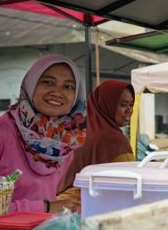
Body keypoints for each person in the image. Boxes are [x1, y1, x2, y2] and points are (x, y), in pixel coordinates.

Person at [0, 54, 86, 213]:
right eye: (48, 82)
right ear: (31, 84)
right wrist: (44, 207)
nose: (57, 92)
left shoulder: (64, 145)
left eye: (68, 86)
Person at [58, 79, 135, 209]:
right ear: (107, 104)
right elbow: (131, 182)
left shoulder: (77, 127)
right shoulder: (114, 139)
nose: (129, 111)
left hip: (57, 203)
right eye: (123, 105)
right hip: (83, 208)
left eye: (131, 104)